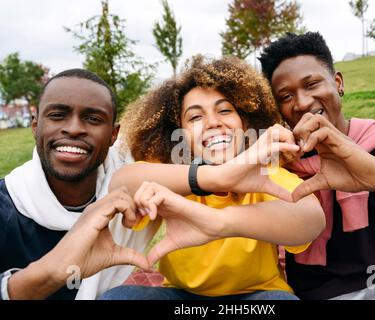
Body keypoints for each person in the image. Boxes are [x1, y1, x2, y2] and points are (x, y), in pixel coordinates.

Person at [100, 55, 325, 300]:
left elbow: (312, 219)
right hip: (181, 296)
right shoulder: (172, 172)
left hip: (257, 296)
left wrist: (219, 222)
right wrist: (217, 177)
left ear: (245, 121)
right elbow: (121, 182)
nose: (213, 122)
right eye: (195, 117)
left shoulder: (264, 171)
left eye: (225, 110)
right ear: (179, 135)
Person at [258, 32, 375, 300]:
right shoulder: (275, 168)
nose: (301, 102)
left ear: (338, 82)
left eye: (311, 84)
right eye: (286, 96)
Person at [0, 69, 158, 300]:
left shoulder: (131, 183)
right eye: (57, 115)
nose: (74, 129)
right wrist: (53, 270)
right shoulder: (8, 205)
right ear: (35, 126)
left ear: (113, 135)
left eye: (93, 119)